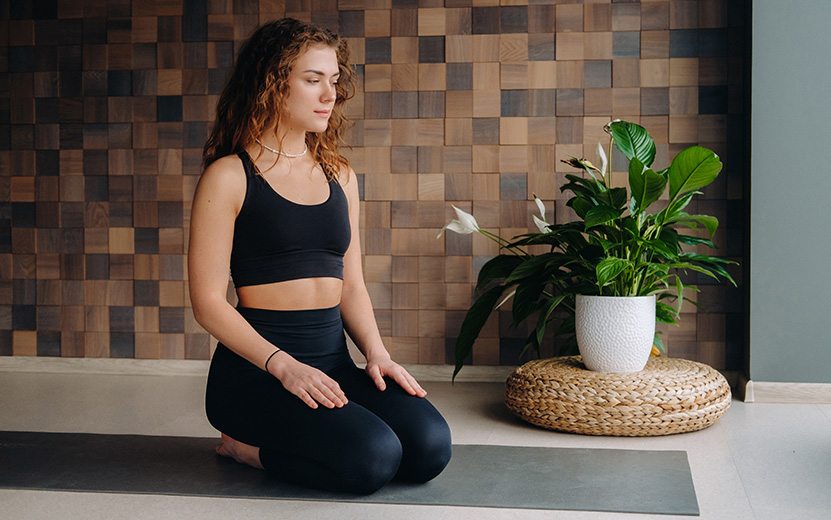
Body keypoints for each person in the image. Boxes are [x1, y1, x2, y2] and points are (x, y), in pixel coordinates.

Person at [187, 18, 452, 495]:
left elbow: (351, 284)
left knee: (430, 447)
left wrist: (377, 353)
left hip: (331, 366)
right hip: (258, 376)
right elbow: (208, 302)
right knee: (373, 459)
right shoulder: (229, 176)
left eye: (333, 81)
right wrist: (283, 366)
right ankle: (246, 448)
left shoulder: (340, 175)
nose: (329, 94)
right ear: (271, 84)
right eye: (313, 80)